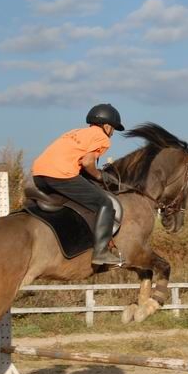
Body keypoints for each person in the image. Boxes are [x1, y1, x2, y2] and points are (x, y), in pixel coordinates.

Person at [31, 103, 125, 266]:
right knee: (104, 203)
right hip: (60, 175)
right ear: (108, 126)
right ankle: (101, 252)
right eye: (113, 129)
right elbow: (88, 162)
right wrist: (99, 176)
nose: (112, 133)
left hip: (39, 174)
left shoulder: (75, 132)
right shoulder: (101, 138)